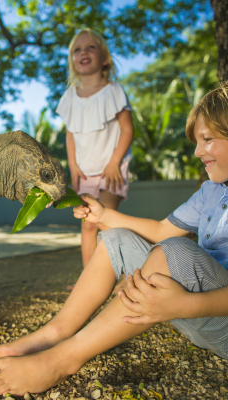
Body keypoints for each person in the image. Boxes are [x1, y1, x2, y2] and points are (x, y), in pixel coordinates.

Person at [0, 78, 228, 397]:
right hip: (195, 312)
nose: (197, 152)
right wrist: (104, 215)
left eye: (208, 139)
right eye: (197, 141)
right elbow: (162, 230)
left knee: (175, 252)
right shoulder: (212, 191)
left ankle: (63, 360)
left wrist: (186, 305)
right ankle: (54, 333)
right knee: (115, 238)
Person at [55, 28, 134, 275]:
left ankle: (126, 276)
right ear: (72, 62)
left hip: (111, 169)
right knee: (88, 225)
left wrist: (114, 163)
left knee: (106, 222)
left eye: (91, 47)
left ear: (105, 59)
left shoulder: (114, 91)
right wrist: (73, 167)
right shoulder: (69, 96)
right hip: (84, 171)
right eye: (77, 50)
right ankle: (87, 280)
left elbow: (127, 130)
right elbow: (70, 135)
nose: (83, 52)